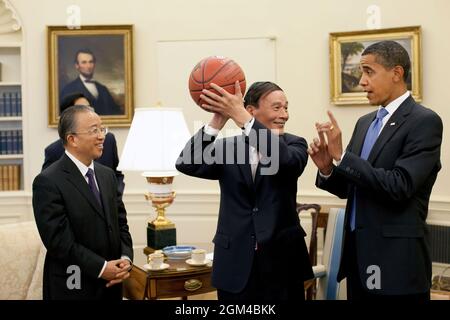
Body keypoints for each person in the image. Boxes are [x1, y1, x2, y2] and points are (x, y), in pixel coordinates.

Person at [309, 40, 443, 301]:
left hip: (396, 264)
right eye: (361, 72)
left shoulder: (424, 121)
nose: (361, 81)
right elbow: (352, 186)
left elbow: (400, 186)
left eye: (369, 72)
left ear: (396, 73)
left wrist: (343, 157)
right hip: (359, 259)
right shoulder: (365, 123)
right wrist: (328, 168)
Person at [176, 81, 313, 300]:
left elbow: (284, 161)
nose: (285, 114)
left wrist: (243, 119)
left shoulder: (294, 145)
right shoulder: (226, 148)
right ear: (251, 110)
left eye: (286, 107)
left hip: (283, 265)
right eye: (277, 107)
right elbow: (186, 162)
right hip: (234, 263)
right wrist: (218, 120)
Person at [32, 105, 133, 300]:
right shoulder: (47, 181)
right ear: (72, 139)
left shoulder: (107, 175)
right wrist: (102, 268)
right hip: (73, 286)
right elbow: (59, 243)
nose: (102, 136)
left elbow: (121, 224)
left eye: (102, 129)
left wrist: (125, 259)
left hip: (112, 286)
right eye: (94, 130)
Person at [43, 92, 125, 198]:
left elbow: (117, 175)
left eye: (89, 107)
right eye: (82, 108)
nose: (101, 137)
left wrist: (114, 198)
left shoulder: (108, 140)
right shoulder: (54, 151)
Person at [60, 49, 122, 115]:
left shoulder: (103, 89)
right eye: (84, 62)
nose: (88, 66)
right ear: (77, 65)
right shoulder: (69, 89)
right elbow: (66, 116)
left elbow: (115, 111)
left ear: (94, 64)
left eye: (91, 62)